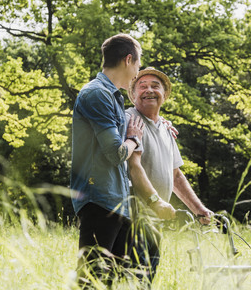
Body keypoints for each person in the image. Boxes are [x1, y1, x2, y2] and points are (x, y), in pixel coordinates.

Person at [70, 33, 145, 288]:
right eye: (138, 64)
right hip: (99, 199)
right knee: (91, 282)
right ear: (128, 60)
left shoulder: (114, 97)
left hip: (118, 203)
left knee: (109, 283)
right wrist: (133, 139)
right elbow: (115, 152)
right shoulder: (96, 94)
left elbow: (133, 123)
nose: (138, 71)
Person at [126, 67, 214, 285]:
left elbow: (175, 176)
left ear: (164, 94)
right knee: (132, 278)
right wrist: (155, 202)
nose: (149, 90)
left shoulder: (165, 129)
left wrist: (198, 209)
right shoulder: (129, 119)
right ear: (133, 95)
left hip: (155, 217)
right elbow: (131, 166)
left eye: (155, 86)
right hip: (131, 217)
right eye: (142, 86)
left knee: (145, 279)